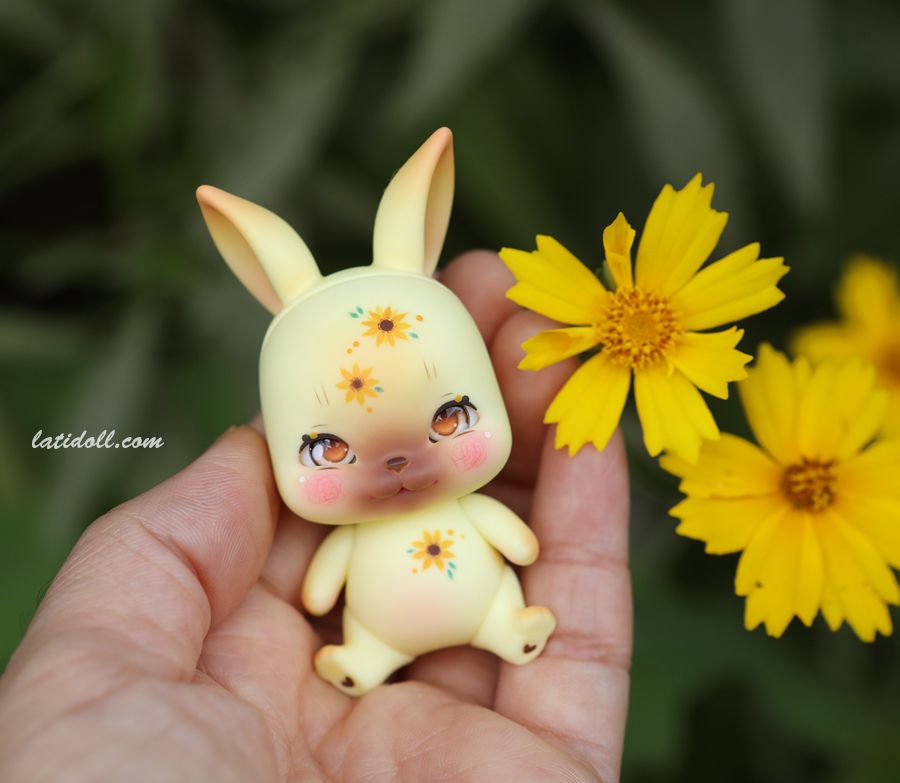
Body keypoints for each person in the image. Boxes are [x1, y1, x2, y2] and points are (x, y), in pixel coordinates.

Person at [0, 252, 631, 782]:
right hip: (379, 629)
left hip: (477, 599)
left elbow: (517, 542)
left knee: (499, 603)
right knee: (370, 638)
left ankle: (504, 626)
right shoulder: (357, 529)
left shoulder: (462, 502)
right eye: (330, 450)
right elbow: (327, 583)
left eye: (449, 418)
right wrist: (324, 587)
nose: (398, 464)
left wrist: (516, 542)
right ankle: (369, 658)